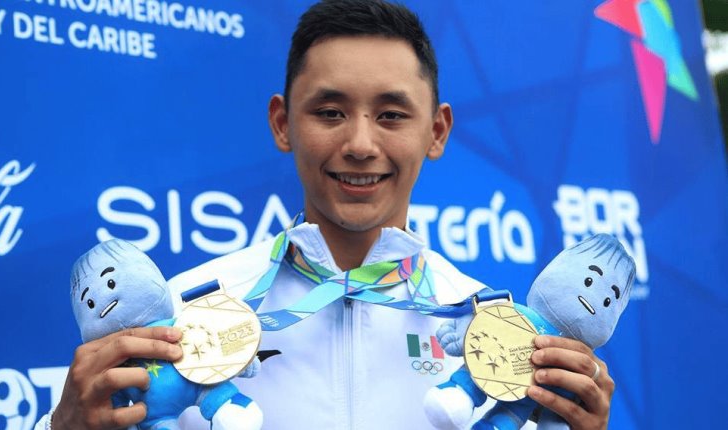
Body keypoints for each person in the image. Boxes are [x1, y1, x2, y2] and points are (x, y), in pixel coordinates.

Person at [40, 0, 615, 428]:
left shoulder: (494, 331)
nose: (361, 143)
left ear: (436, 131)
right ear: (283, 123)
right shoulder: (181, 312)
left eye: (392, 115)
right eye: (331, 111)